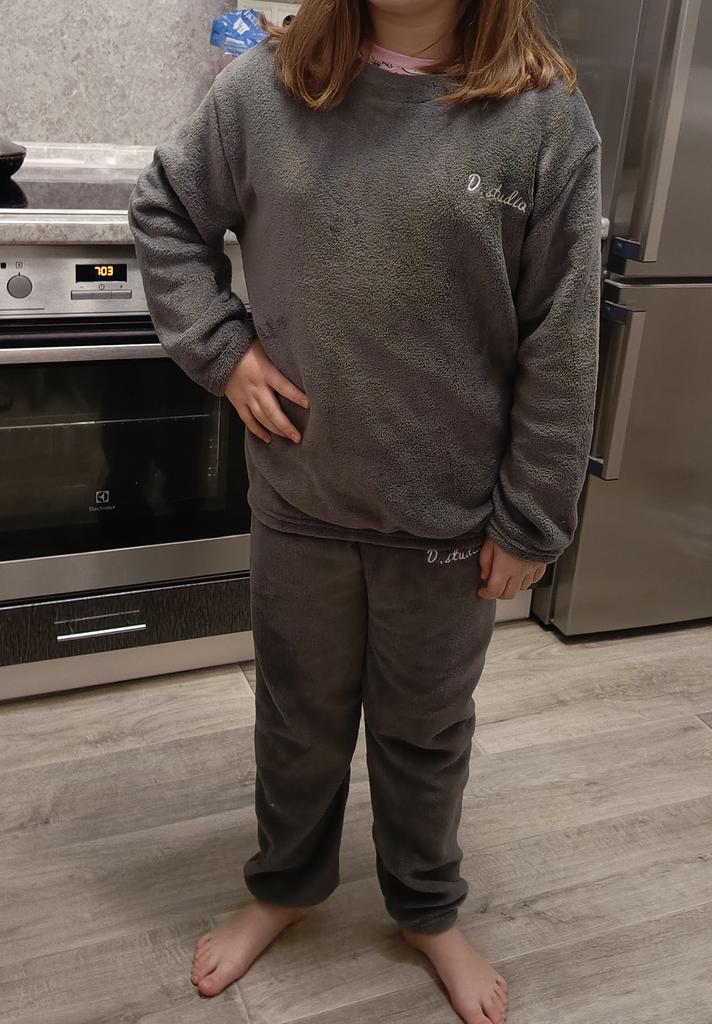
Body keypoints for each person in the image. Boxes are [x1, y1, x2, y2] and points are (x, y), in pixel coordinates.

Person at [129, 0, 602, 1020]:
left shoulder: (543, 119)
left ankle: (426, 909)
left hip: (450, 519)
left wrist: (533, 516)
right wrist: (224, 350)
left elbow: (562, 338)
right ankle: (287, 886)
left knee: (424, 734)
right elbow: (165, 209)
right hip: (301, 500)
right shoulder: (265, 90)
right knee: (296, 719)